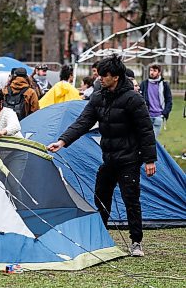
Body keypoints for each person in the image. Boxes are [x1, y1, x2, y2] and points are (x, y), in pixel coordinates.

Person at [47, 54, 156, 257]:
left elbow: (146, 130)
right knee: (101, 195)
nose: (100, 78)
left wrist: (150, 159)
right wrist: (62, 141)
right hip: (109, 158)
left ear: (115, 77)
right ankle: (101, 236)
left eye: (104, 75)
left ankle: (136, 242)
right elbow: (83, 122)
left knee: (130, 199)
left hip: (130, 159)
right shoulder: (99, 96)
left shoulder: (133, 99)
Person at [139, 64, 173, 138]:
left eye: (154, 71)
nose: (152, 72)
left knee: (152, 139)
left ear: (159, 72)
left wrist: (164, 113)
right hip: (147, 116)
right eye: (151, 70)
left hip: (159, 116)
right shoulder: (144, 84)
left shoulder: (164, 84)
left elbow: (169, 101)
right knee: (146, 139)